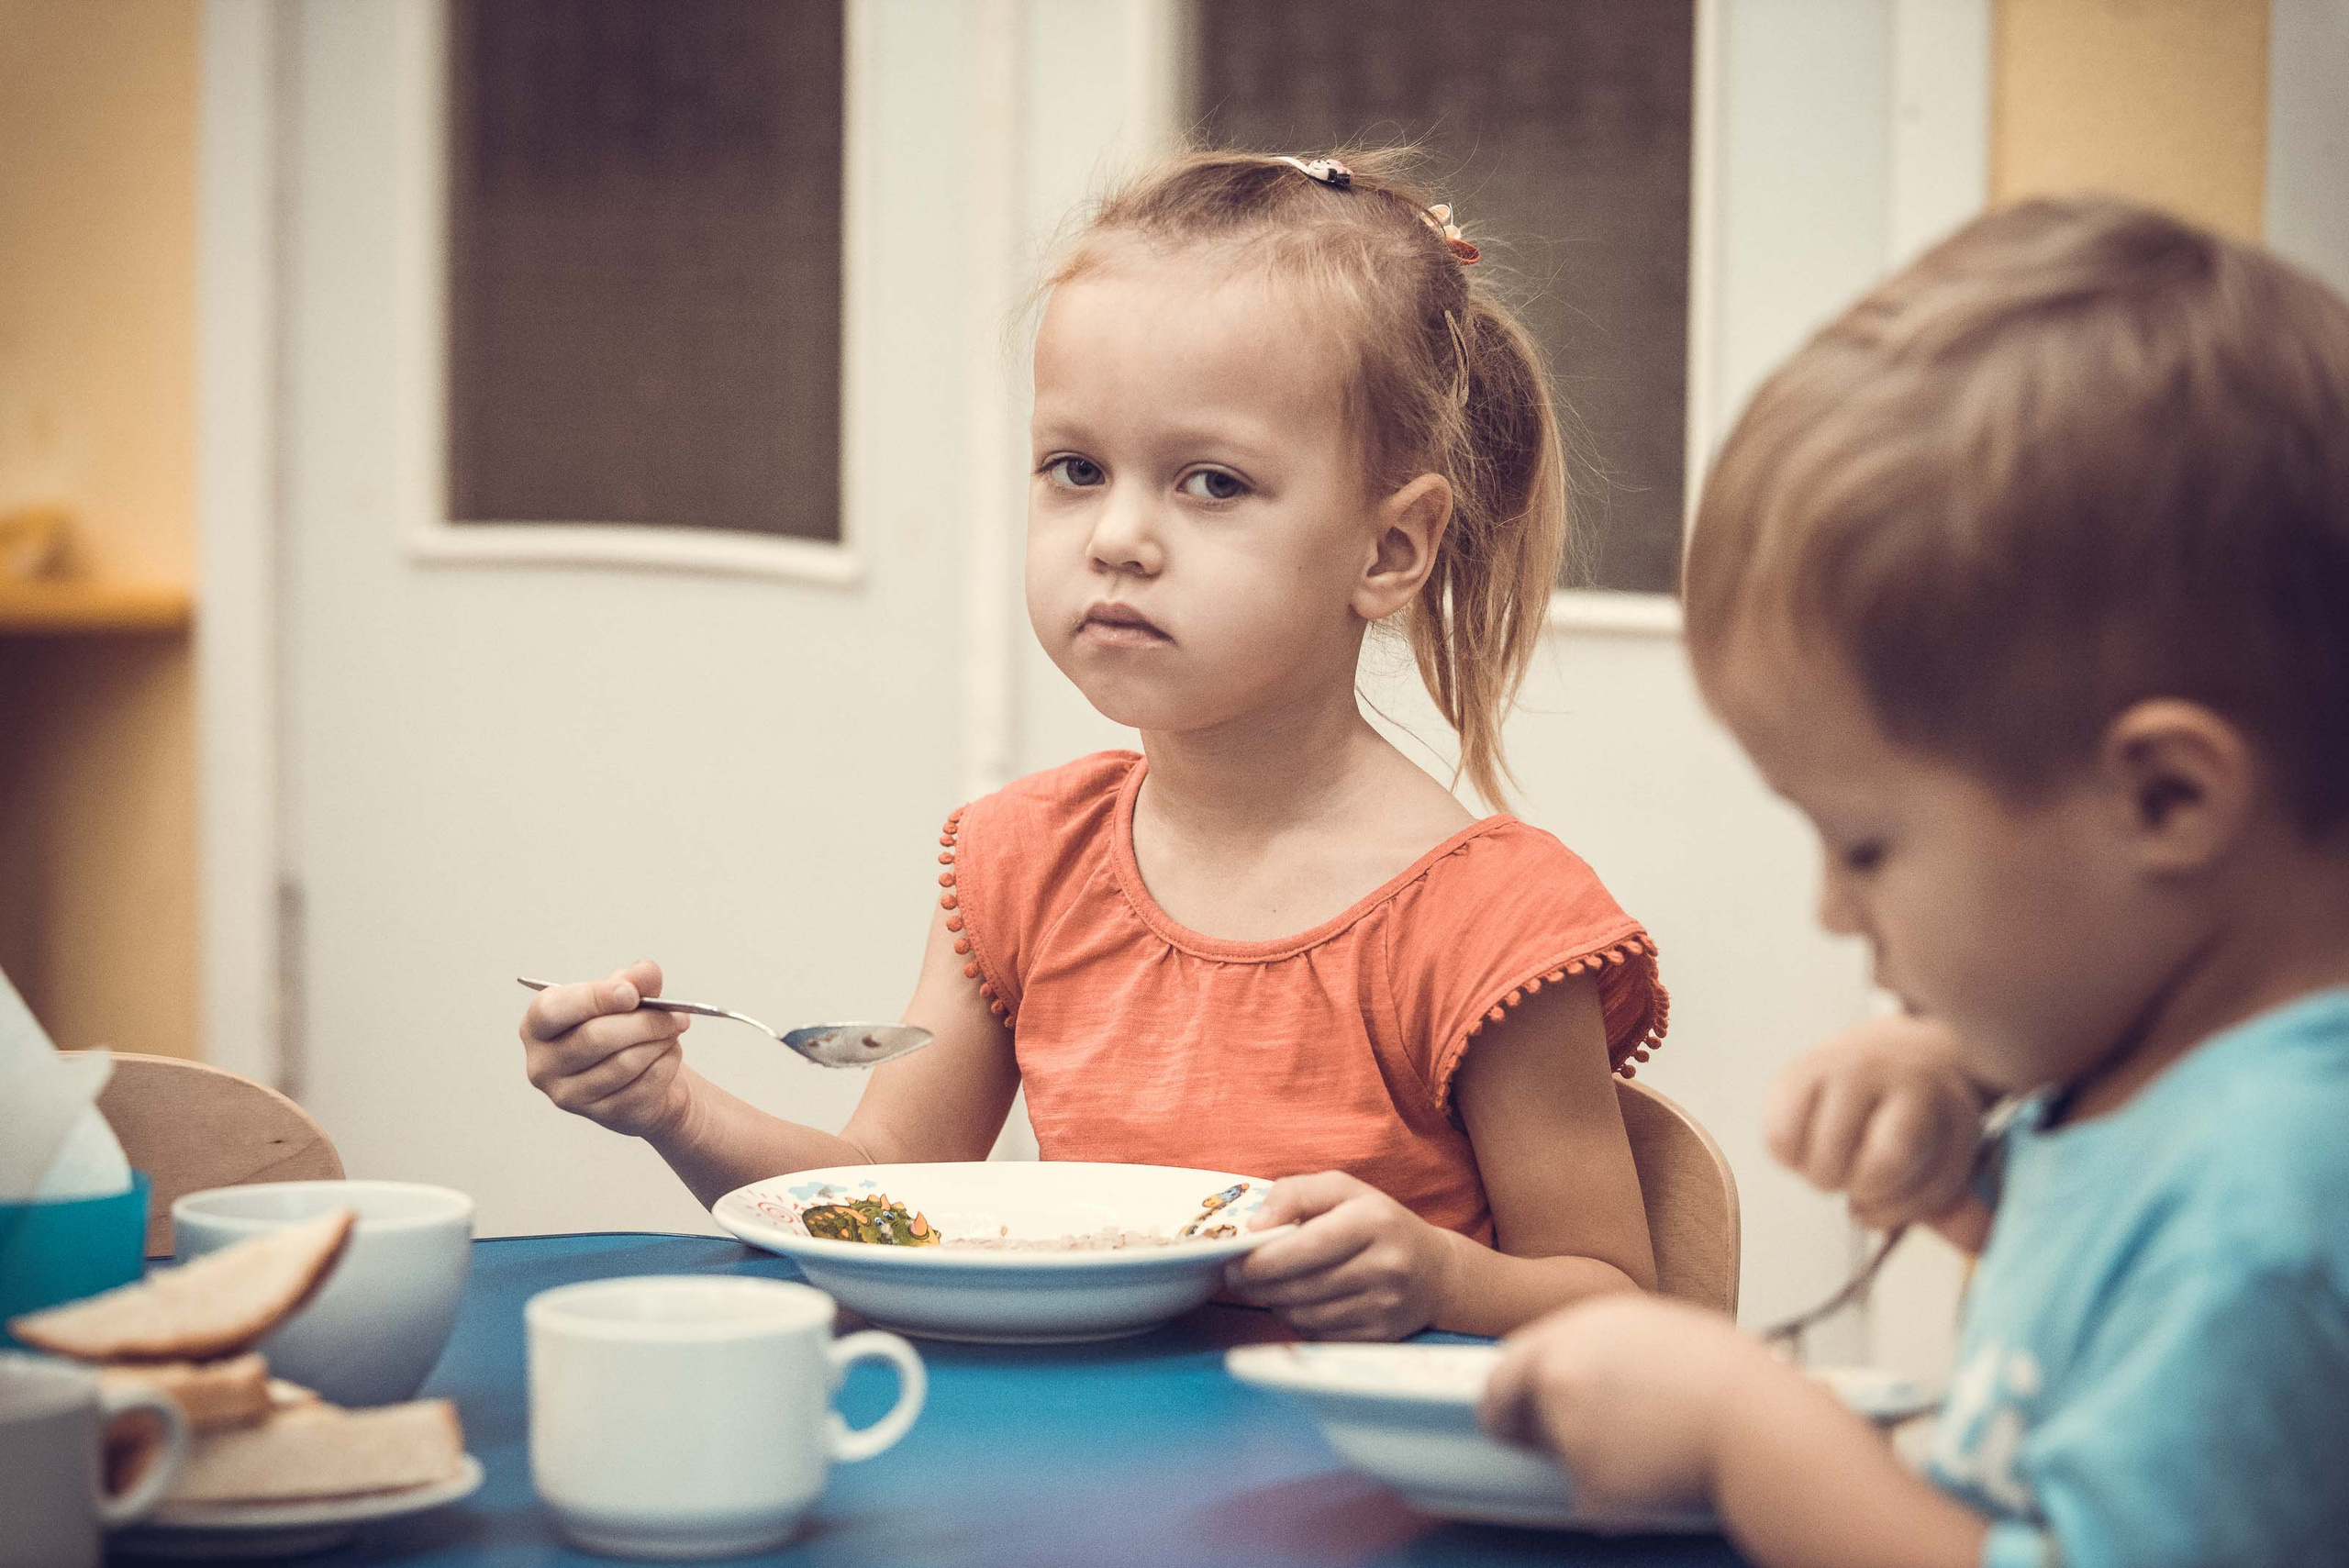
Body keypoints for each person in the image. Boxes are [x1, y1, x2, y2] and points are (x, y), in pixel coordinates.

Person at [518, 150, 1668, 1340]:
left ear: (1389, 550)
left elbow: (1622, 1301)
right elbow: (880, 1197)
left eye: (1211, 483)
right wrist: (669, 1106)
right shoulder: (1023, 863)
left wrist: (1440, 1278)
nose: (1117, 536)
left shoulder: (1493, 925)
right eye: (1076, 469)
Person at [1479, 196, 2349, 1566]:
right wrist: (1978, 1187)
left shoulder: (2269, 1206)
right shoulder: (2178, 1096)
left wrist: (1744, 1432)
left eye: (1866, 845)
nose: (1833, 909)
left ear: (2168, 799)